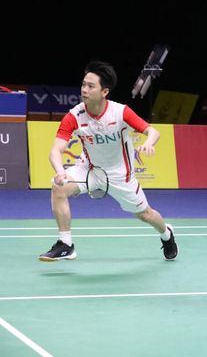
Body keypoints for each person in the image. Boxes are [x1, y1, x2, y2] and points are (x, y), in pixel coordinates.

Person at [39, 61, 178, 261]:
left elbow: (152, 131)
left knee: (145, 215)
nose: (84, 90)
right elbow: (55, 150)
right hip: (90, 168)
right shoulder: (74, 116)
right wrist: (60, 171)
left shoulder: (120, 112)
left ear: (104, 91)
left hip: (120, 175)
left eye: (90, 86)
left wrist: (149, 142)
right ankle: (66, 244)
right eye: (83, 84)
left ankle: (166, 234)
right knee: (58, 186)